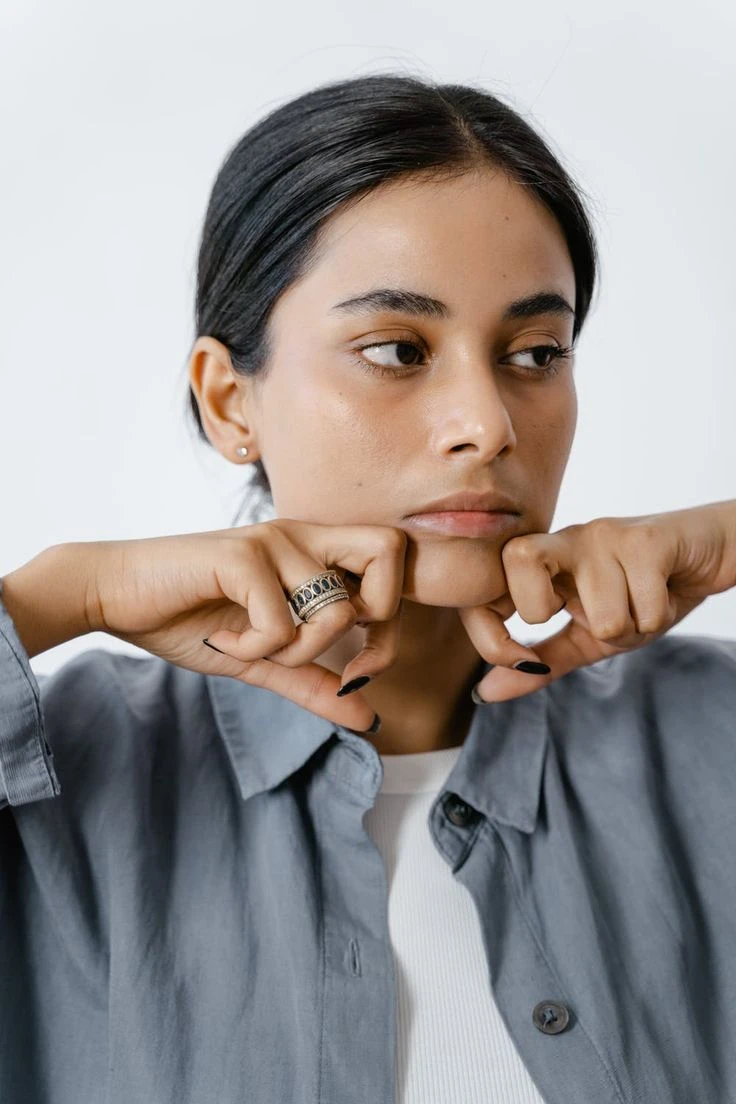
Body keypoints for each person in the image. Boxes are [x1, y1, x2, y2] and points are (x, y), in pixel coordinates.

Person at [1, 72, 735, 1104]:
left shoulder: (707, 739)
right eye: (397, 350)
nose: (487, 421)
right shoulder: (60, 782)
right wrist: (52, 594)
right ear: (228, 401)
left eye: (534, 353)